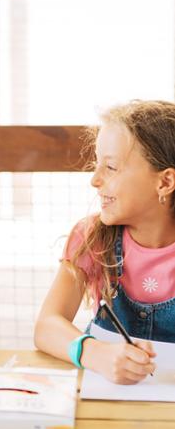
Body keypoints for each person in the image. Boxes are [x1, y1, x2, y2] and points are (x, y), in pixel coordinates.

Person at [34, 100, 175, 384]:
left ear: (165, 182)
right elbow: (46, 326)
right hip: (106, 404)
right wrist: (94, 353)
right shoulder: (91, 238)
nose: (95, 180)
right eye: (97, 165)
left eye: (110, 167)